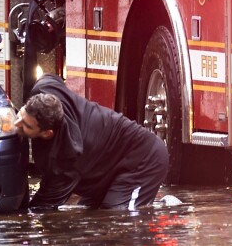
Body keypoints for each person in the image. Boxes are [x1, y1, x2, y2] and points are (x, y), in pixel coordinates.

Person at [14, 75, 169, 211]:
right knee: (87, 212)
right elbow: (50, 77)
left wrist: (24, 226)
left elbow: (44, 205)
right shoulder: (45, 87)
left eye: (27, 125)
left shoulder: (66, 159)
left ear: (47, 133)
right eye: (21, 113)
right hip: (107, 166)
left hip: (146, 159)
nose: (17, 123)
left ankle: (167, 207)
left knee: (118, 218)